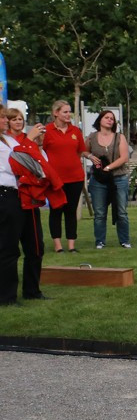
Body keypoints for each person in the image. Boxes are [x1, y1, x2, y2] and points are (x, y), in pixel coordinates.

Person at [5, 108, 61, 301]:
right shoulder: (10, 143)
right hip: (12, 196)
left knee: (36, 246)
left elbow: (39, 166)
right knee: (10, 248)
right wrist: (29, 141)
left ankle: (32, 291)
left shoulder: (19, 142)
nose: (16, 122)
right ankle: (7, 295)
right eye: (11, 119)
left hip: (29, 197)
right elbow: (17, 163)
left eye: (20, 119)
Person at [41, 100, 88, 254]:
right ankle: (57, 246)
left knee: (70, 210)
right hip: (55, 179)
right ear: (56, 113)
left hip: (75, 177)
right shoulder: (47, 131)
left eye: (69, 112)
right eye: (65, 112)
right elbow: (41, 152)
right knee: (56, 210)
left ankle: (71, 245)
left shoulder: (75, 131)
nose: (68, 115)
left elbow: (80, 151)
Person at [86, 110, 132, 250]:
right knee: (99, 213)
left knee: (121, 212)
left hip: (118, 178)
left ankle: (124, 240)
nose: (110, 120)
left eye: (112, 119)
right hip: (99, 180)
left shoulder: (119, 137)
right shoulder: (92, 137)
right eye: (107, 117)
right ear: (100, 120)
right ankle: (100, 241)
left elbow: (124, 157)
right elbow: (82, 150)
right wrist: (89, 156)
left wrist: (108, 168)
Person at [0, 113, 22, 305]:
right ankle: (6, 296)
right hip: (3, 193)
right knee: (6, 246)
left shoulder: (8, 140)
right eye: (2, 118)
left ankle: (8, 294)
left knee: (9, 247)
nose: (6, 121)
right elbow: (14, 164)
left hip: (10, 194)